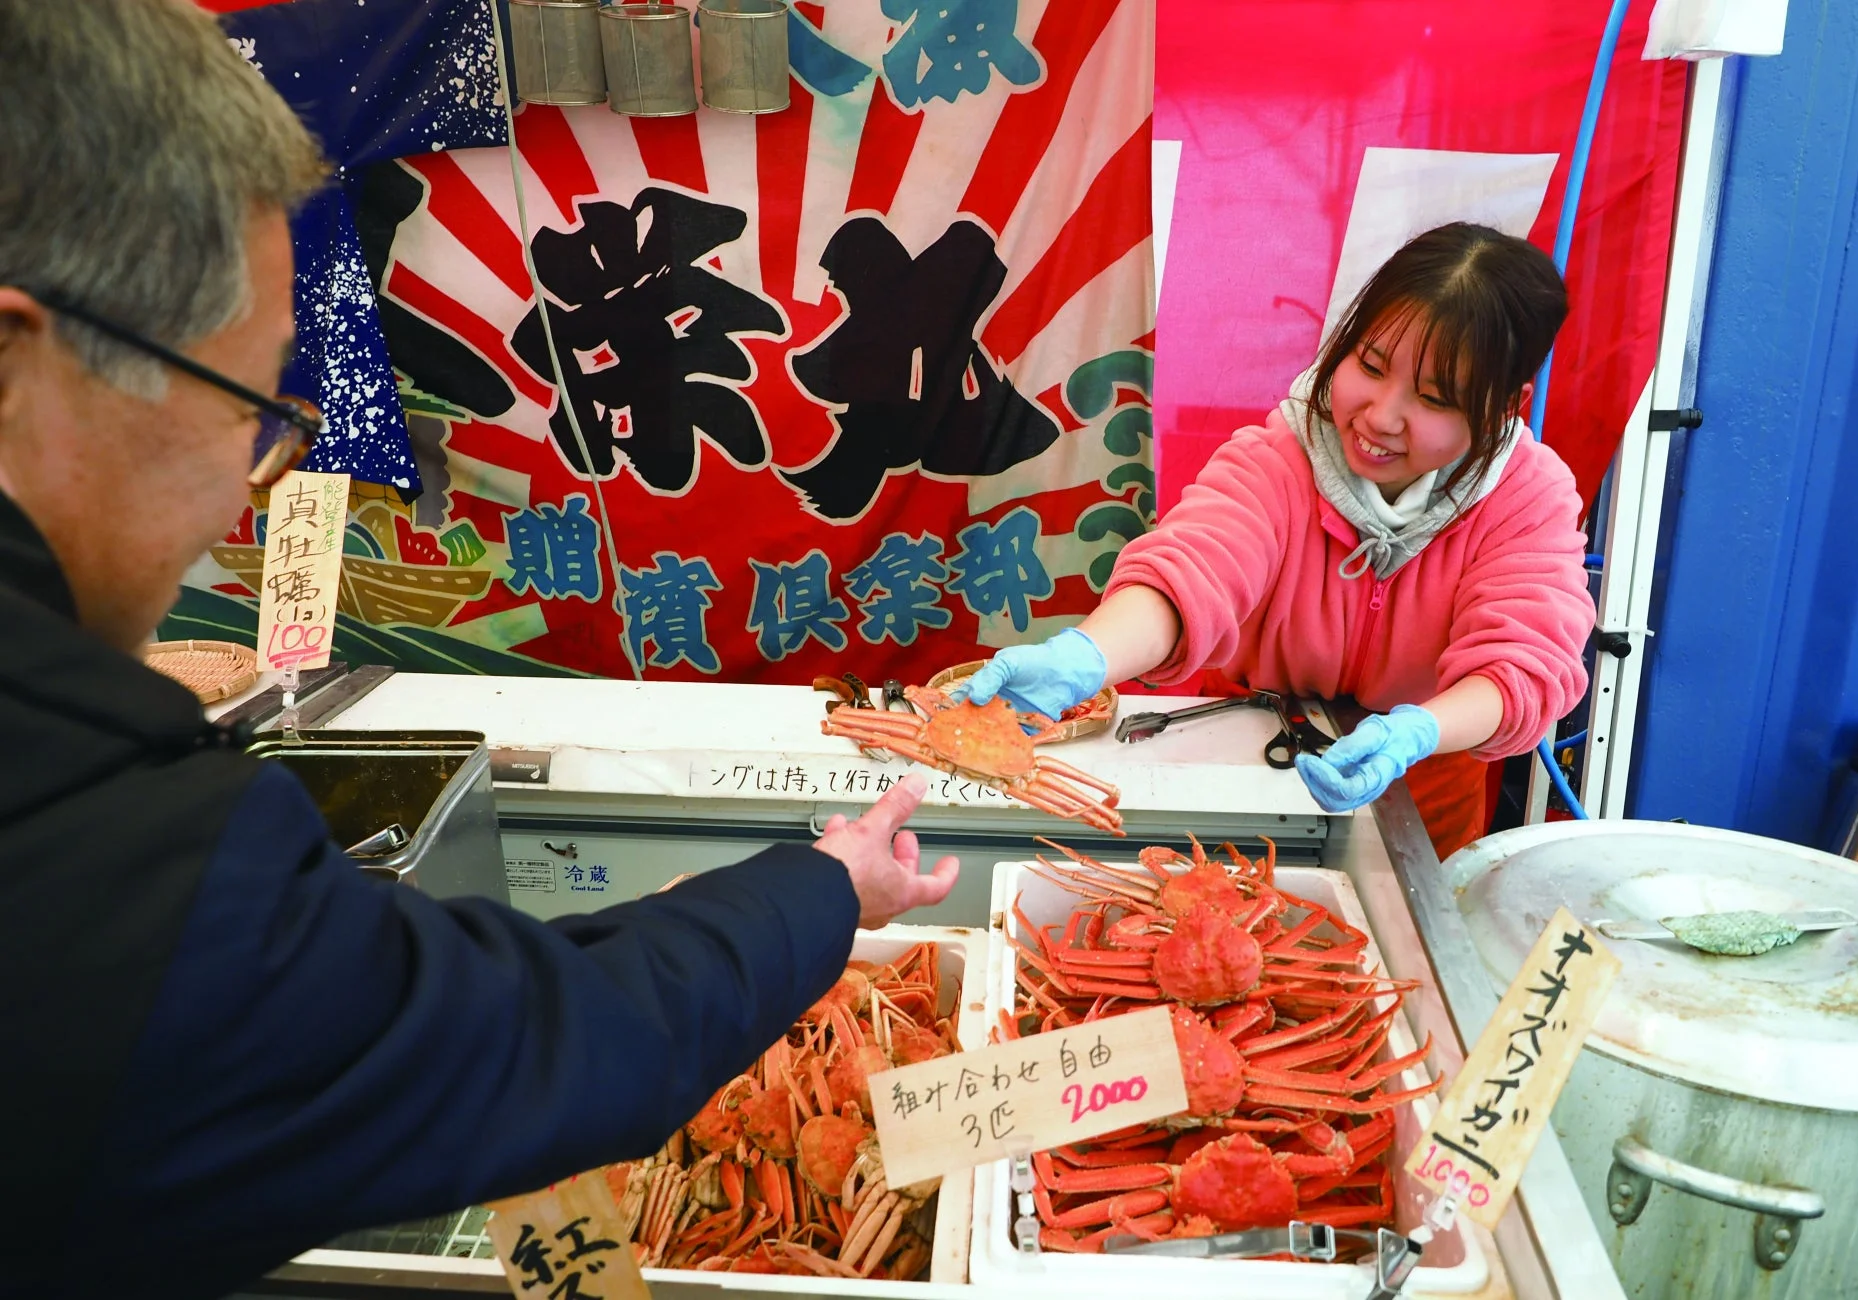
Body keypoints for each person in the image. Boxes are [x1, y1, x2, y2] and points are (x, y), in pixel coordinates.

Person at [0, 4, 956, 1296]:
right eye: (246, 409)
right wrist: (822, 887)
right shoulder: (112, 848)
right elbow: (530, 1048)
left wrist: (803, 888)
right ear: (16, 360)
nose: (249, 492)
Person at [966, 223, 1596, 858]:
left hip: (1420, 792)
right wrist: (1088, 655)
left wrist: (1421, 730)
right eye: (1370, 366)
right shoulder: (1278, 459)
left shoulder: (1527, 498)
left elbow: (1521, 664)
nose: (1379, 415)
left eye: (1433, 399)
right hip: (1241, 767)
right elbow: (1193, 570)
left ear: (1505, 408)